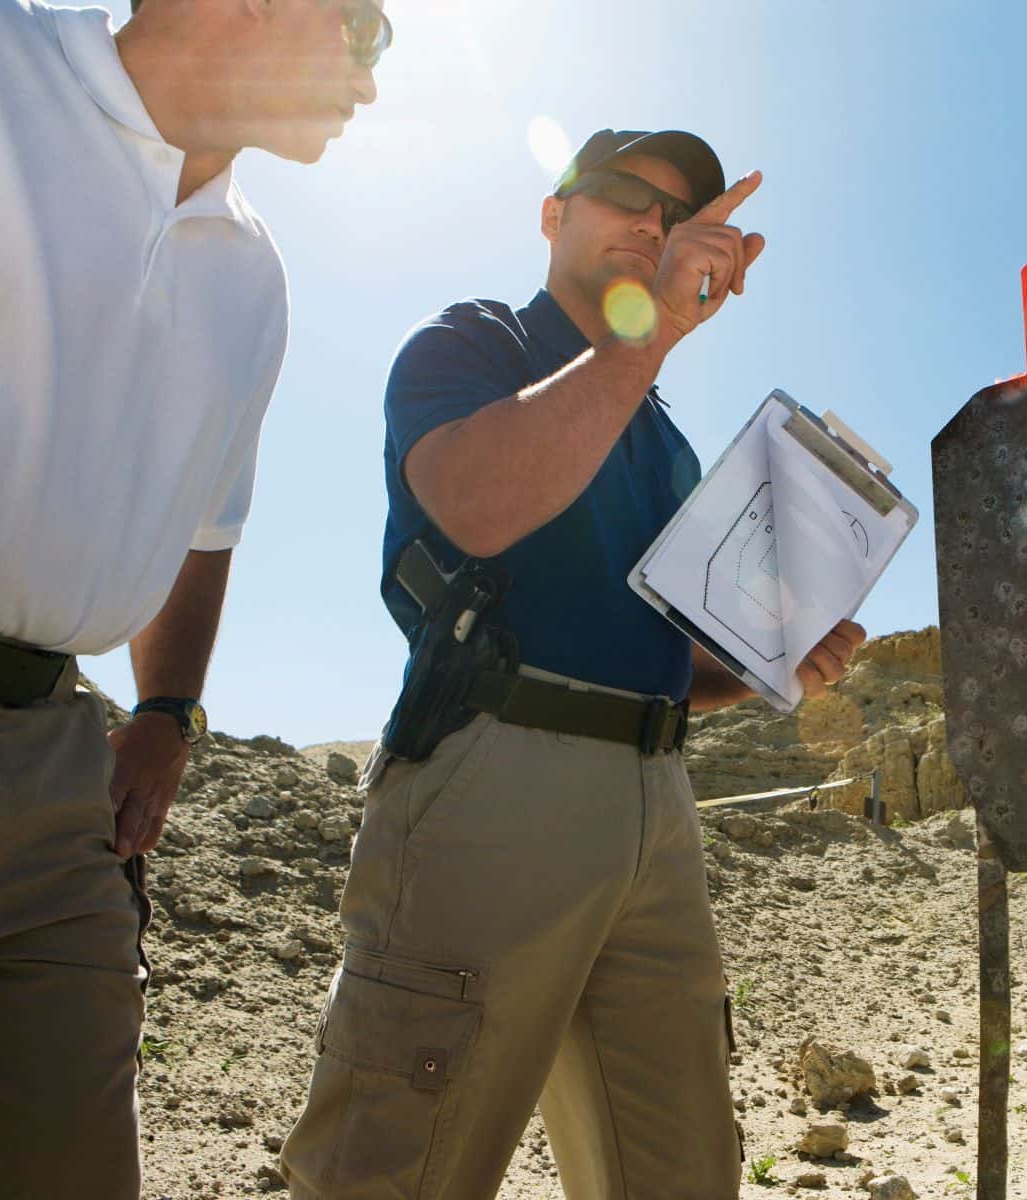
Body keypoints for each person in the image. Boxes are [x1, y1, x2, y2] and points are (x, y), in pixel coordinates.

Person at [280, 128, 865, 1200]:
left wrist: (771, 659)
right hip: (492, 779)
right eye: (624, 198)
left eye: (678, 213)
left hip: (655, 802)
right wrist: (653, 336)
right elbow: (480, 505)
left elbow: (657, 657)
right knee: (395, 1167)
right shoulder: (470, 342)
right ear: (553, 215)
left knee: (678, 1171)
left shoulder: (662, 433)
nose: (654, 225)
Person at [0, 0, 383, 1194]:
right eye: (362, 31)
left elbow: (206, 522)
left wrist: (167, 714)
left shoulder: (255, 276)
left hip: (52, 786)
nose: (371, 84)